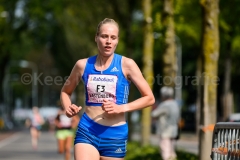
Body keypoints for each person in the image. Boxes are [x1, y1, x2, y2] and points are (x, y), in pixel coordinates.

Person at [60, 18, 155, 160]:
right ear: (96, 38)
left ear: (117, 40)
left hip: (115, 134)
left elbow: (149, 98)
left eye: (113, 37)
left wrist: (121, 108)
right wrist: (68, 107)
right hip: (88, 130)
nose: (108, 41)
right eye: (104, 36)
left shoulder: (127, 64)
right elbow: (65, 92)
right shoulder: (82, 65)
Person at [151, 86, 180, 160]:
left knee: (165, 151)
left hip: (165, 131)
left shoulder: (164, 105)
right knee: (172, 151)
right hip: (174, 130)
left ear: (163, 95)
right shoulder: (175, 104)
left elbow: (154, 114)